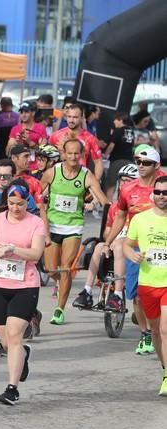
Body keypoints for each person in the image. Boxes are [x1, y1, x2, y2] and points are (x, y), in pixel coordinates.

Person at [0, 181, 45, 405]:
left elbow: (36, 253)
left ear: (27, 202)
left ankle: (12, 389)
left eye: (20, 204)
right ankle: (23, 355)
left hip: (25, 285)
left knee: (15, 335)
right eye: (11, 203)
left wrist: (14, 249)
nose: (15, 208)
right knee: (7, 342)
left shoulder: (36, 223)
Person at [102, 145, 167, 354]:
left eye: (146, 163)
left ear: (157, 165)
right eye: (138, 161)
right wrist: (108, 241)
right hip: (136, 247)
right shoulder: (128, 189)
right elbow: (120, 216)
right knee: (138, 295)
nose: (141, 166)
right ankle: (146, 333)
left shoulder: (163, 185)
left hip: (161, 245)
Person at [40, 139, 107, 325]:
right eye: (69, 153)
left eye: (76, 153)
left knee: (65, 267)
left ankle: (59, 310)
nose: (73, 157)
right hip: (53, 226)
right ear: (63, 154)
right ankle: (60, 282)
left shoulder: (86, 175)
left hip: (73, 227)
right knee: (51, 268)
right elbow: (36, 193)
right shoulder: (53, 172)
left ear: (82, 154)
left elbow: (102, 198)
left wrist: (114, 210)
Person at [73, 164, 139, 312]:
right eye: (122, 181)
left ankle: (117, 295)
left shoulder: (140, 205)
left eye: (128, 181)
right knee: (98, 246)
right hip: (115, 240)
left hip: (133, 244)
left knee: (119, 246)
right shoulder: (115, 207)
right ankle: (87, 291)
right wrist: (108, 241)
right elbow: (107, 231)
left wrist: (121, 240)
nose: (123, 184)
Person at [124, 176, 167, 395]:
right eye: (158, 192)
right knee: (157, 333)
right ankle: (164, 370)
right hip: (148, 283)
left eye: (165, 193)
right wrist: (132, 255)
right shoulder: (140, 219)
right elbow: (127, 244)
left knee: (165, 329)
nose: (161, 196)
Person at [49, 104, 103, 182]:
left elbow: (98, 162)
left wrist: (96, 182)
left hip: (80, 181)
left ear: (81, 118)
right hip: (59, 180)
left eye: (75, 117)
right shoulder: (57, 135)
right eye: (69, 117)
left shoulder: (89, 138)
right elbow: (48, 157)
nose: (71, 120)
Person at [104, 111, 136, 201]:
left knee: (111, 184)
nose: (114, 122)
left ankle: (107, 206)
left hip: (117, 160)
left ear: (121, 120)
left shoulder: (118, 130)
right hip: (129, 161)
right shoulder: (131, 131)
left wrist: (106, 155)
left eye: (116, 120)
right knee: (127, 185)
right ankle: (123, 205)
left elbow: (111, 145)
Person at [0, 97, 19, 161]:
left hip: (1, 152)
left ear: (1, 105)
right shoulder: (18, 117)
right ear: (11, 105)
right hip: (15, 151)